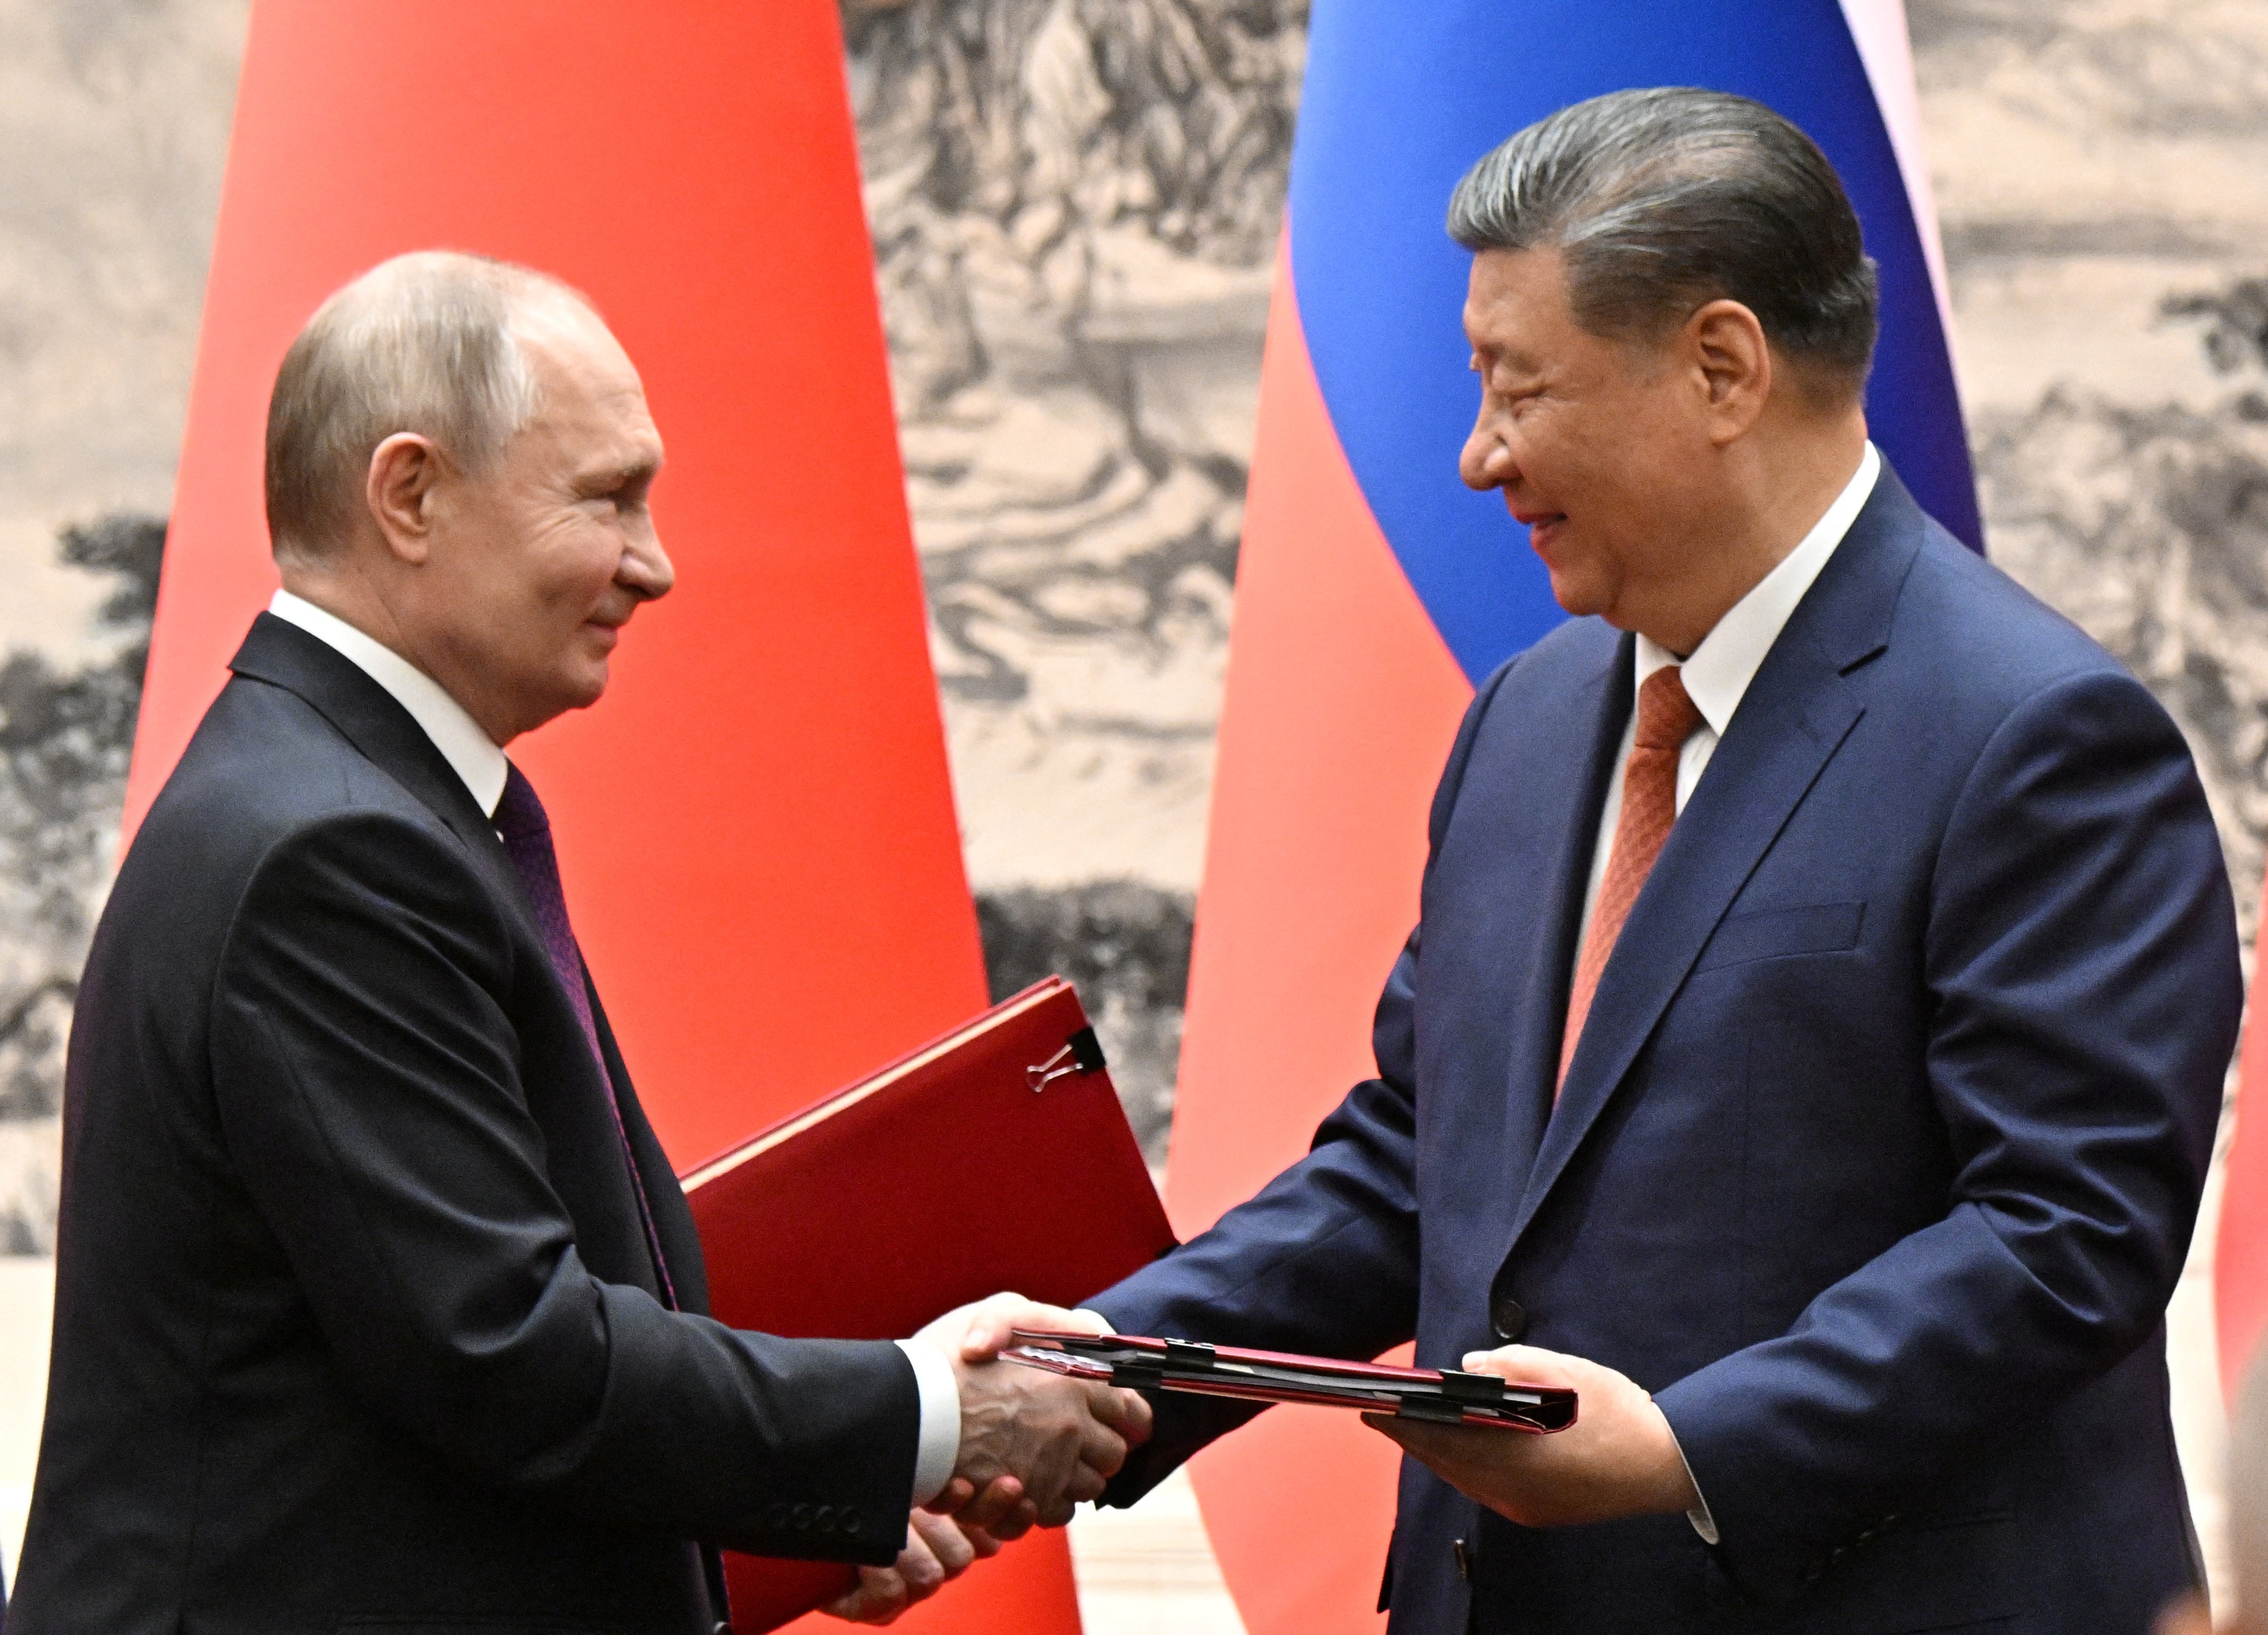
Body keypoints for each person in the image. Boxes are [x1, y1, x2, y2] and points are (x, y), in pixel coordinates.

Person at [985, 88, 2241, 1632]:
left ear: (1721, 367)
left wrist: (1687, 1449)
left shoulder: (2041, 737)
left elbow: (2069, 1231)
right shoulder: (1529, 718)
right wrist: (1103, 1367)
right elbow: (1419, 1158)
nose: (1476, 456)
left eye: (1520, 390)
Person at [7, 252, 1148, 1634]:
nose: (655, 565)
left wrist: (785, 1504)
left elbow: (433, 1370)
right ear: (411, 494)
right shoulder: (334, 848)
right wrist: (923, 1415)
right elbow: (507, 1354)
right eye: (607, 497)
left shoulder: (363, 796)